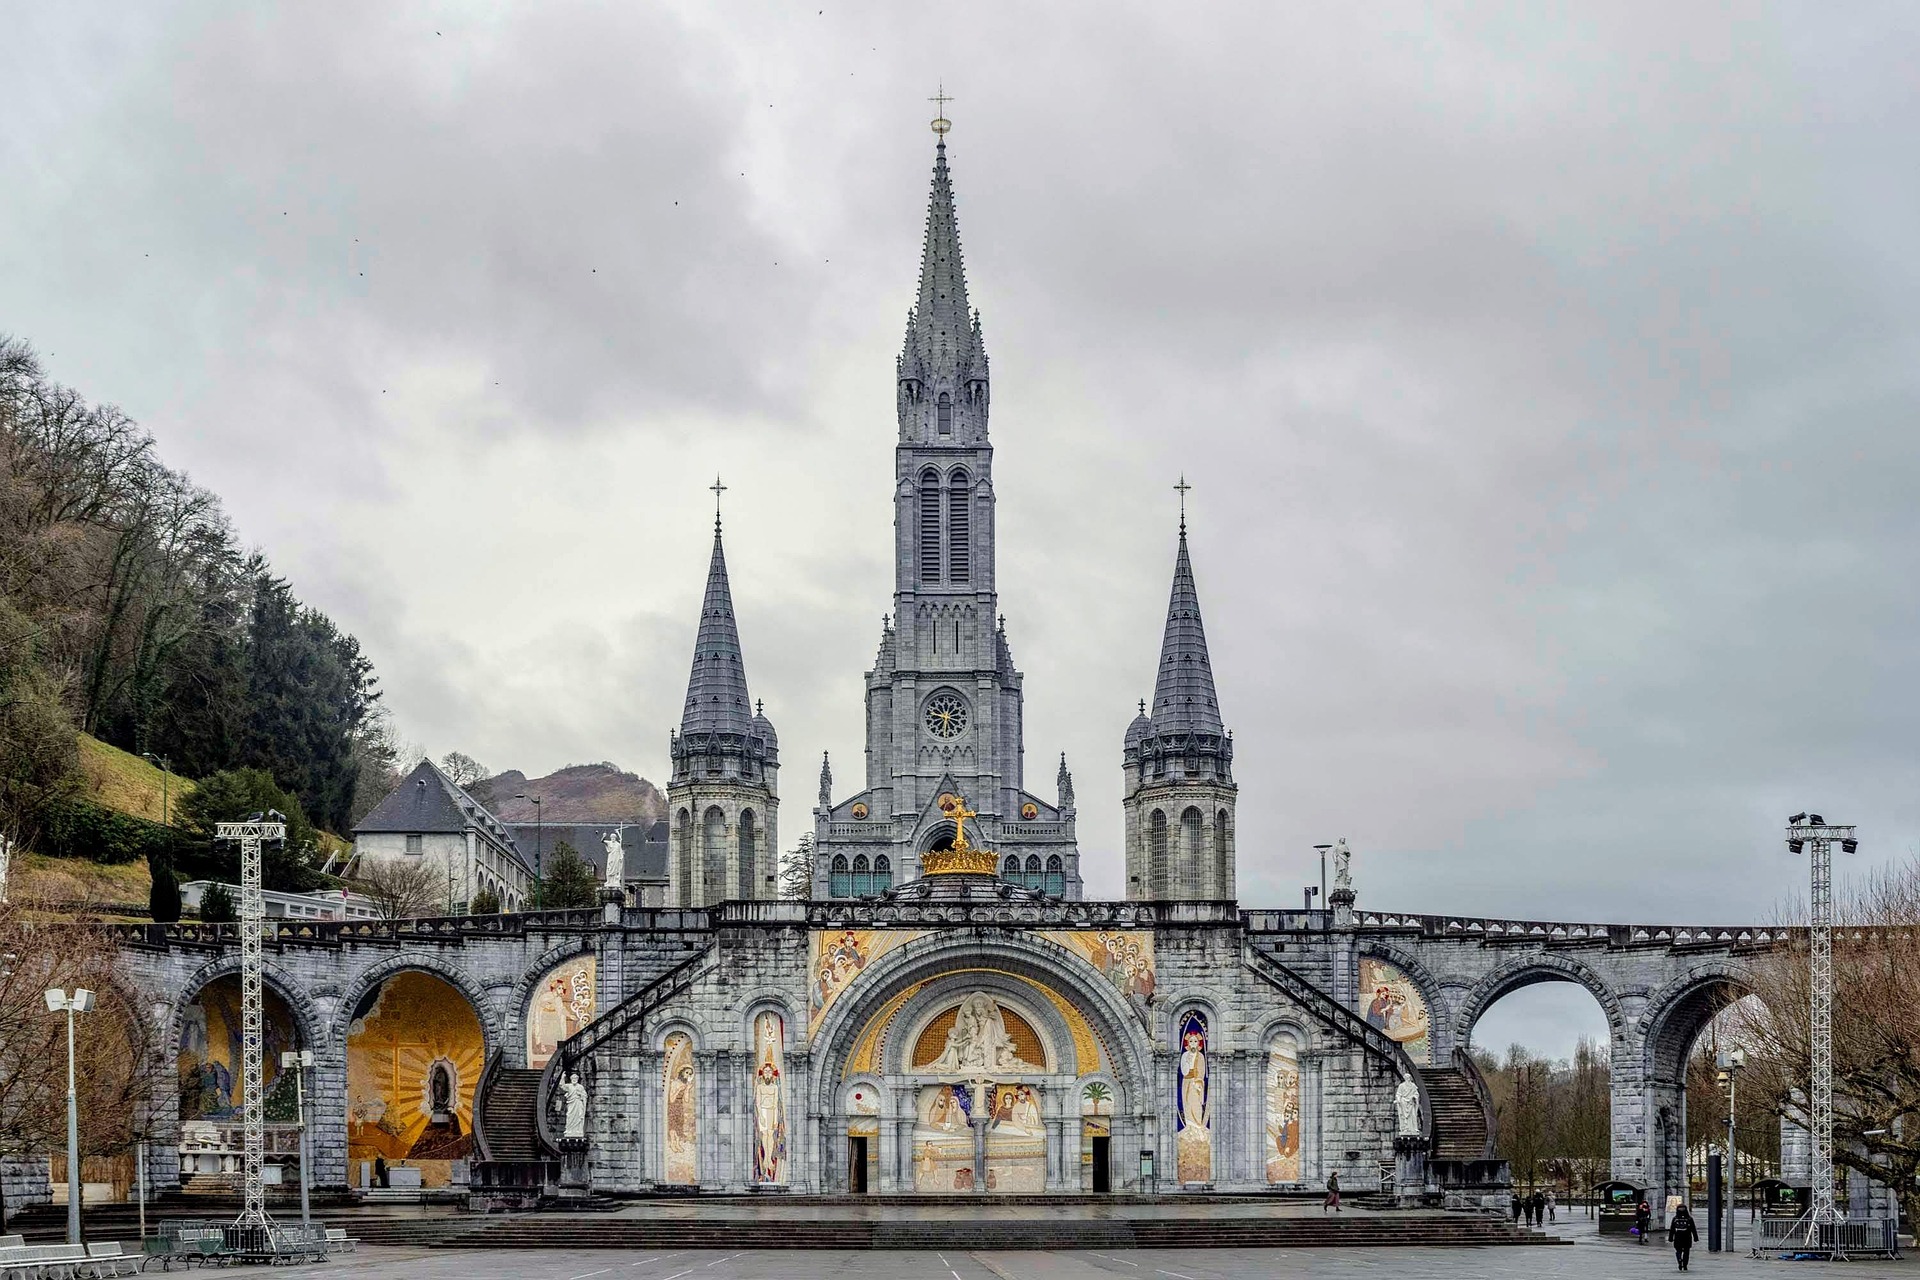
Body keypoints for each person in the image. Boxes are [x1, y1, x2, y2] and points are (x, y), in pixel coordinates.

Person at [1670, 1204, 1699, 1270]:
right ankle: (1685, 1265)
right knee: (1686, 1251)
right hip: (1687, 1237)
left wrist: (1671, 1238)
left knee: (1678, 1250)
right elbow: (1693, 1229)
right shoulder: (1689, 1218)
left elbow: (1672, 1229)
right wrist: (1695, 1237)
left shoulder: (1675, 1219)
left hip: (1678, 1237)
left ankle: (1679, 1260)